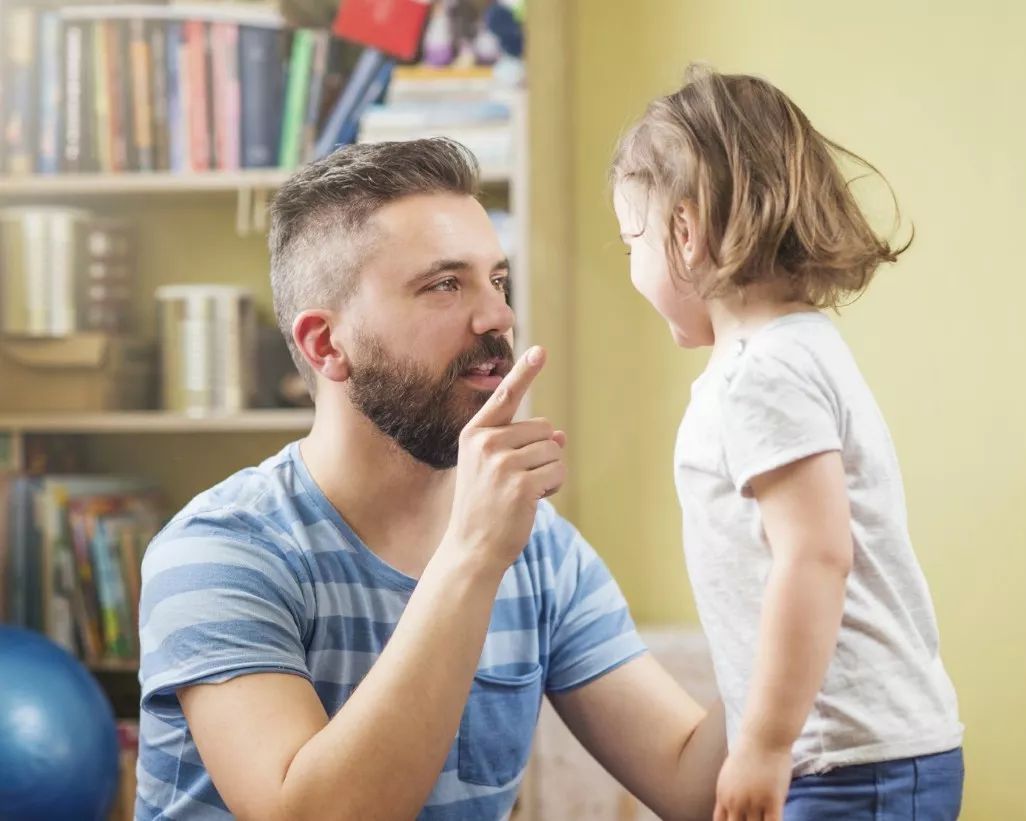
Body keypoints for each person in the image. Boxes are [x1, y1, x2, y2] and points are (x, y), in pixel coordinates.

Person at [135, 138, 726, 820]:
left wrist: (794, 609)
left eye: (497, 280)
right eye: (445, 285)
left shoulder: (540, 551)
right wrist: (472, 555)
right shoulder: (219, 550)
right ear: (327, 345)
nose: (497, 316)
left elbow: (694, 786)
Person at [610, 66, 965, 821]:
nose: (631, 268)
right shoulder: (798, 348)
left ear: (684, 232)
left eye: (630, 242)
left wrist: (767, 743)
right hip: (860, 756)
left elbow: (815, 553)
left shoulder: (759, 373)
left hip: (843, 763)